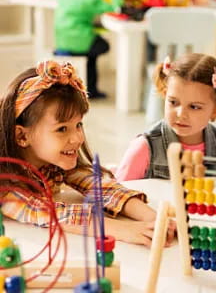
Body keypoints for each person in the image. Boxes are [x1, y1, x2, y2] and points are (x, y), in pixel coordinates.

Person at [0, 60, 175, 247]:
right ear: (21, 135)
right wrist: (123, 230)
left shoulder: (51, 159)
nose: (77, 138)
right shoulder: (5, 184)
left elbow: (97, 183)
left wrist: (155, 218)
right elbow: (44, 213)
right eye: (62, 129)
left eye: (78, 125)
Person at [115, 53, 216, 181]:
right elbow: (118, 195)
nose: (181, 114)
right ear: (165, 94)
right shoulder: (145, 147)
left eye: (194, 107)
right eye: (173, 102)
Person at [53, 0, 123, 99]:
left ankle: (90, 88)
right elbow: (115, 7)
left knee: (91, 56)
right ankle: (92, 90)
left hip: (61, 38)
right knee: (102, 46)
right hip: (80, 40)